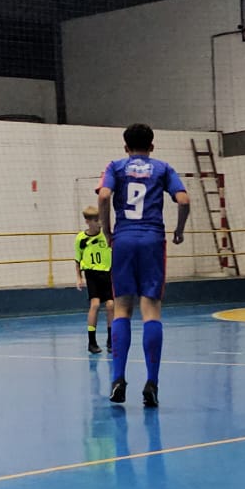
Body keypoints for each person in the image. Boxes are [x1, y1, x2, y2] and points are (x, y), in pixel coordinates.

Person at [97, 124, 191, 408]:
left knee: (122, 306)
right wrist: (179, 230)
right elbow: (184, 200)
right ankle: (152, 382)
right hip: (152, 240)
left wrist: (107, 230)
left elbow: (103, 196)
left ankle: (118, 379)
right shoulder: (163, 168)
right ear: (152, 145)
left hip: (123, 240)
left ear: (125, 146)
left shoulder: (116, 166)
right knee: (151, 310)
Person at [75, 205, 114, 355]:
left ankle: (111, 340)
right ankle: (92, 342)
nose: (98, 223)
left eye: (99, 220)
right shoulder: (81, 239)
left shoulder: (106, 236)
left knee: (111, 305)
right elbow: (77, 260)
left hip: (106, 273)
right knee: (95, 304)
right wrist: (79, 277)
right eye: (95, 220)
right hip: (91, 274)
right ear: (87, 221)